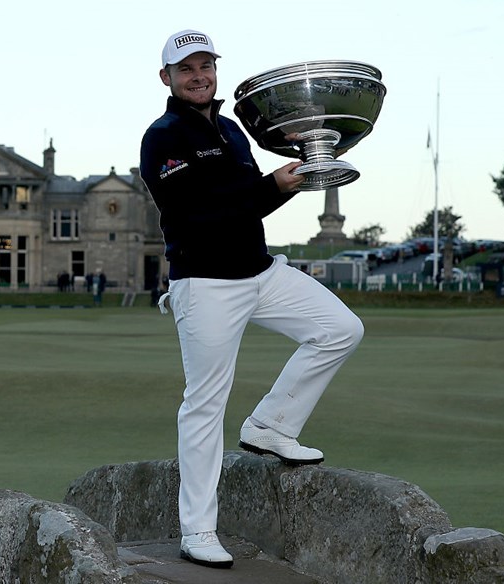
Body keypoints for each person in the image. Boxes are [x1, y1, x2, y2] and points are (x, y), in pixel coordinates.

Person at [139, 29, 364, 569]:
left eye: (206, 66)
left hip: (259, 272)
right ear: (166, 77)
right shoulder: (163, 136)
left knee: (340, 329)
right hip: (207, 283)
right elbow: (198, 210)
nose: (200, 76)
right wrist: (272, 187)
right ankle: (197, 531)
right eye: (187, 68)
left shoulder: (234, 131)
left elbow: (247, 208)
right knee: (204, 405)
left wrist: (282, 183)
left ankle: (270, 427)